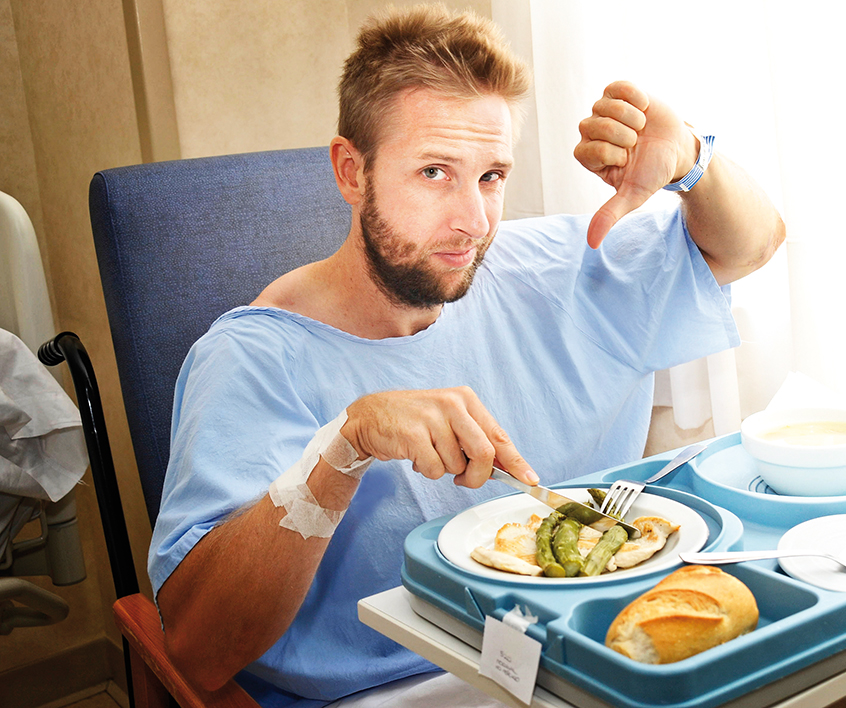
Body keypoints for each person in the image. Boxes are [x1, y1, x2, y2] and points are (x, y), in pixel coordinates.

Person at [149, 4, 785, 708]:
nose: (474, 222)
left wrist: (694, 161)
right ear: (350, 171)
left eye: (491, 176)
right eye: (433, 173)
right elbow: (198, 649)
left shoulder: (555, 268)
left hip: (579, 666)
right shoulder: (251, 360)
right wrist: (341, 449)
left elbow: (750, 245)